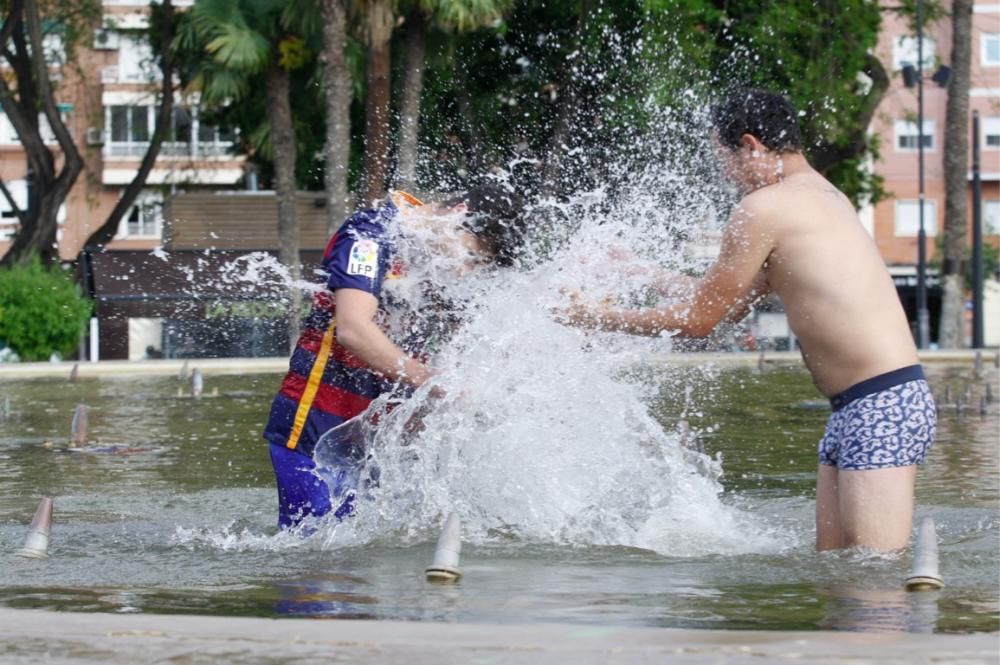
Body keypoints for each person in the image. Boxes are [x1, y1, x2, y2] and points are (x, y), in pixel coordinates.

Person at [562, 89, 936, 552]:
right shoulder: (821, 194)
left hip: (881, 405)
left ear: (751, 145)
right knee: (840, 571)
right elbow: (730, 304)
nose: (725, 173)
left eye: (725, 158)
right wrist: (640, 272)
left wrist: (591, 317)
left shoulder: (763, 209)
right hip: (863, 405)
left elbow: (700, 321)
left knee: (872, 579)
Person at [263, 186, 526, 530]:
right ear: (458, 214)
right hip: (318, 426)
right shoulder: (371, 235)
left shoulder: (435, 258)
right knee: (317, 561)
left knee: (371, 564)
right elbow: (353, 328)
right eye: (472, 258)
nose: (464, 272)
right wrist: (432, 381)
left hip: (383, 438)